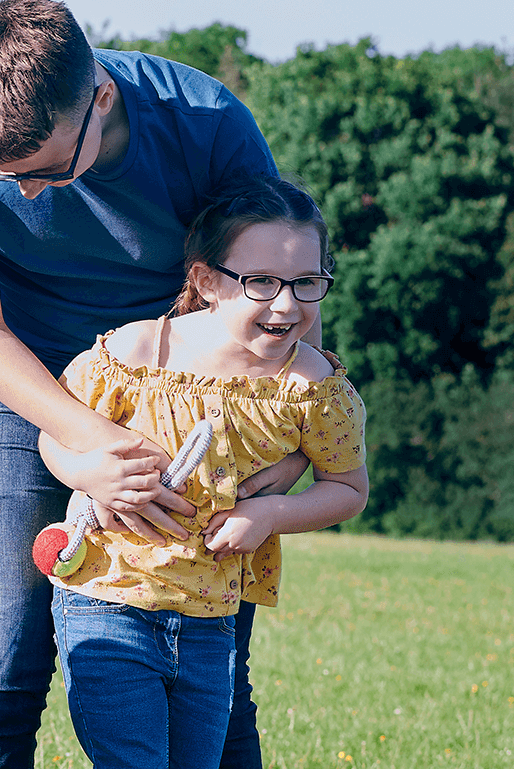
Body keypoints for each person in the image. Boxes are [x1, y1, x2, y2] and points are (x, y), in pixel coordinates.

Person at [0, 0, 305, 769]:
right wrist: (93, 447)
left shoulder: (209, 127)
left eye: (47, 171)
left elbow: (278, 293)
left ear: (100, 99)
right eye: (0, 175)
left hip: (193, 405)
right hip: (28, 390)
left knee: (213, 677)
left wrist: (285, 442)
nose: (24, 192)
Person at [38, 176, 369, 768]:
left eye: (306, 282)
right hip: (106, 601)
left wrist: (271, 513)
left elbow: (347, 489)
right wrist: (87, 473)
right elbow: (53, 435)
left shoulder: (314, 390)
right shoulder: (135, 355)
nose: (287, 304)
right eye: (261, 281)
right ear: (206, 281)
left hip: (211, 623)